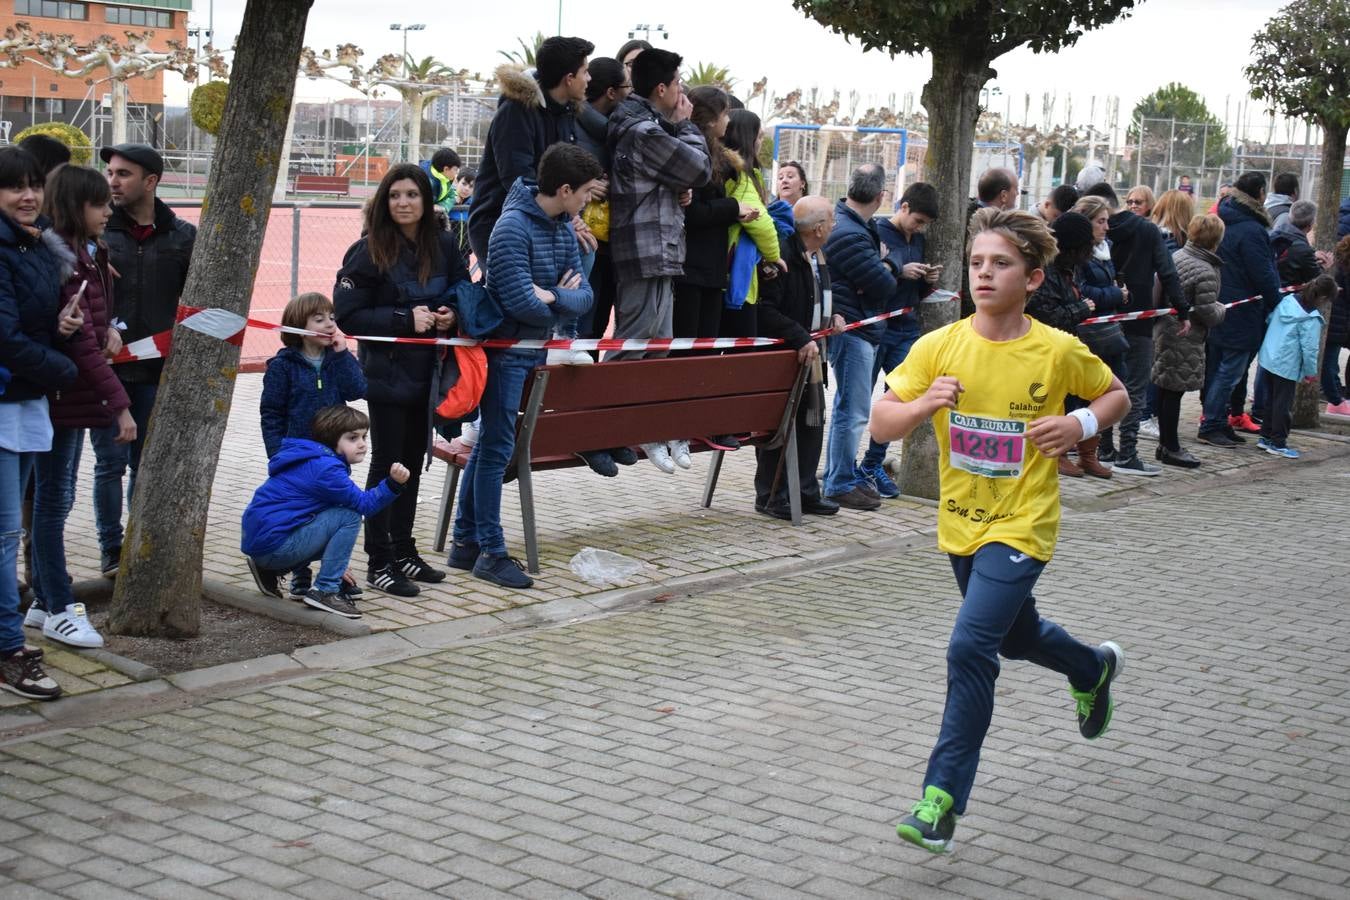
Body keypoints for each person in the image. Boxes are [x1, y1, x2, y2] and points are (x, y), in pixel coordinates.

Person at [871, 206, 1129, 855]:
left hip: (1024, 524)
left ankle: (941, 800)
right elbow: (879, 423)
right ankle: (1091, 667)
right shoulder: (941, 346)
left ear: (1033, 278)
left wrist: (1079, 427)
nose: (984, 274)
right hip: (961, 525)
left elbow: (1116, 395)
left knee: (970, 648)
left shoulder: (1057, 350)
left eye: (1001, 264)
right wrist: (924, 404)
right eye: (977, 263)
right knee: (1015, 639)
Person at [448, 144, 599, 589]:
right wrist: (556, 298)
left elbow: (583, 295)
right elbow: (517, 300)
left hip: (532, 350)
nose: (589, 202)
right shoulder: (511, 228)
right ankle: (490, 551)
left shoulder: (561, 227)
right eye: (587, 193)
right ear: (566, 189)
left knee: (492, 448)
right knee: (495, 450)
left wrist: (551, 295)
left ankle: (465, 541)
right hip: (507, 354)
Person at [335, 164, 467, 598]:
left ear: (427, 201)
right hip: (386, 375)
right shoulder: (368, 250)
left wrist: (452, 313)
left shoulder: (445, 245)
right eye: (395, 196)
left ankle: (404, 548)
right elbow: (348, 314)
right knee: (387, 462)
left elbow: (464, 291)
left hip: (430, 374)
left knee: (411, 461)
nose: (404, 203)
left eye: (412, 195)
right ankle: (380, 559)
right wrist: (402, 318)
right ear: (384, 202)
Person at [23, 164, 133, 650]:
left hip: (71, 395)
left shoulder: (90, 253)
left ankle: (46, 601)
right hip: (59, 396)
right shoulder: (62, 259)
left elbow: (94, 331)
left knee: (54, 500)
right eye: (100, 203)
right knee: (51, 503)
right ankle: (58, 605)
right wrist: (120, 406)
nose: (109, 210)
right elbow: (81, 345)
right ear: (74, 206)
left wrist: (112, 329)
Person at [605, 46, 712, 468]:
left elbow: (683, 177)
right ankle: (608, 427)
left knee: (658, 346)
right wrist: (685, 127)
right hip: (644, 248)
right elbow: (699, 169)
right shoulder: (643, 130)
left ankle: (645, 430)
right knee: (632, 343)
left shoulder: (648, 126)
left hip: (660, 249)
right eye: (679, 83)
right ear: (662, 87)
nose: (684, 93)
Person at [0, 147, 80, 700]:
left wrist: (64, 330)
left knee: (13, 530)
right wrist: (66, 365)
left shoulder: (35, 244)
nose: (28, 196)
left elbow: (32, 325)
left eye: (33, 185)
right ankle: (9, 649)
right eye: (13, 188)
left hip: (28, 402)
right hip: (7, 400)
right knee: (6, 535)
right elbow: (5, 336)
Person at [94, 143, 195, 577]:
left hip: (158, 372)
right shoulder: (98, 232)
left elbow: (198, 305)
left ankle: (140, 546)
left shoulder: (183, 236)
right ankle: (111, 551)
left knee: (146, 465)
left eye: (124, 174)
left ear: (151, 181)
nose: (113, 182)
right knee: (108, 465)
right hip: (104, 372)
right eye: (111, 173)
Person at [242, 405, 409, 620]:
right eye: (352, 438)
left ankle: (269, 570)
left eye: (364, 437)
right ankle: (325, 590)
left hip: (264, 544)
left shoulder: (314, 459)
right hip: (274, 546)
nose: (362, 444)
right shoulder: (326, 469)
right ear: (332, 439)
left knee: (338, 511)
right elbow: (364, 505)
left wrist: (338, 564)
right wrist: (393, 485)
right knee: (348, 516)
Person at [259, 291, 366, 600]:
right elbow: (271, 413)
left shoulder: (337, 360)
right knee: (302, 514)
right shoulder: (283, 366)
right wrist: (277, 454)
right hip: (297, 457)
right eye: (319, 320)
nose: (329, 324)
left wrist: (344, 353)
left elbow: (358, 389)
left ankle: (332, 576)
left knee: (336, 508)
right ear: (298, 326)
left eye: (331, 318)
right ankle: (300, 578)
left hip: (333, 456)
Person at [468, 36, 593, 267]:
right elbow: (517, 180)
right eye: (585, 72)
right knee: (519, 297)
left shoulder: (565, 112)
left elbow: (567, 174)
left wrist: (571, 217)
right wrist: (567, 218)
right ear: (569, 79)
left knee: (585, 254)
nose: (589, 79)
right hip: (498, 223)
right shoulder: (515, 113)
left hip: (546, 221)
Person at [1088, 182, 1185, 475]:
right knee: (1135, 388)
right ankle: (1127, 453)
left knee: (1106, 385)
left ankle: (1104, 448)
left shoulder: (1097, 232)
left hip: (1104, 319)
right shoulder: (1147, 230)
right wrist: (1183, 309)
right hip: (1138, 317)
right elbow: (1167, 271)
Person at [754, 195, 841, 519]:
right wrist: (801, 336)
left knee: (811, 424)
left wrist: (834, 318)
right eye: (831, 219)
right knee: (782, 428)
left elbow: (816, 299)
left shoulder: (817, 256)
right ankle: (771, 495)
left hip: (811, 356)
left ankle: (804, 491)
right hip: (784, 357)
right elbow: (765, 310)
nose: (835, 225)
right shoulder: (783, 255)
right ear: (818, 228)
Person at [822, 163, 898, 511]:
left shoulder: (858, 226)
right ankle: (838, 481)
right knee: (851, 411)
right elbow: (884, 285)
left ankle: (841, 475)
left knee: (849, 409)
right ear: (881, 195)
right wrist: (888, 266)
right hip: (854, 328)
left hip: (859, 324)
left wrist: (884, 263)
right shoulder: (851, 232)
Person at [860, 181, 940, 496]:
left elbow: (915, 290)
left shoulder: (918, 239)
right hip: (876, 327)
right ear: (903, 207)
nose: (919, 228)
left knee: (901, 398)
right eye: (917, 220)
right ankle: (845, 469)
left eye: (924, 225)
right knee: (858, 401)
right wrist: (897, 270)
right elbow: (870, 278)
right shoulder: (878, 231)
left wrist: (926, 282)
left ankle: (872, 464)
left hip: (907, 328)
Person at [1198, 171, 1283, 448]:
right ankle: (1211, 423)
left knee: (1217, 367)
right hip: (1242, 310)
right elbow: (1263, 272)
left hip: (1220, 303)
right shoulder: (1252, 229)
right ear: (1259, 193)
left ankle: (1217, 421)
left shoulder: (1224, 218)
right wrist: (1277, 301)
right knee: (1230, 372)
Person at [1024, 212, 1102, 477]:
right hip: (1042, 351)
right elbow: (1045, 314)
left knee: (1079, 398)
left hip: (1064, 348)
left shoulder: (1070, 270)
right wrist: (1080, 308)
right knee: (1049, 403)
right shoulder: (1047, 272)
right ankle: (1056, 454)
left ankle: (1085, 454)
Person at [1153, 214, 1227, 468]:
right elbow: (1207, 311)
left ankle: (1165, 443)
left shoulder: (1178, 256)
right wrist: (1222, 309)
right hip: (1186, 336)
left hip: (1166, 330)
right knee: (1175, 392)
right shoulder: (1206, 269)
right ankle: (1171, 447)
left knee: (1165, 390)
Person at [673, 87, 740, 354]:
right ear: (711, 118)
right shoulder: (693, 152)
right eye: (724, 114)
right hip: (691, 269)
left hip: (711, 269)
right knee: (687, 350)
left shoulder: (719, 155)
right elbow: (693, 212)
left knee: (707, 350)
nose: (729, 121)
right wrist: (733, 206)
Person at [1071, 195, 1129, 473]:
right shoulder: (1079, 256)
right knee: (1080, 394)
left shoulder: (1106, 250)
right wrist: (1116, 293)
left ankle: (1093, 452)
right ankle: (1070, 452)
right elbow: (1083, 291)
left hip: (1108, 331)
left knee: (1108, 391)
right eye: (1101, 221)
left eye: (1107, 221)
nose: (1106, 227)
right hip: (1088, 331)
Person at [573, 57, 629, 347]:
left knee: (595, 326)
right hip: (581, 236)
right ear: (611, 92)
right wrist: (584, 186)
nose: (630, 91)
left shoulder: (622, 129)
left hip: (610, 241)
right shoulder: (571, 124)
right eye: (626, 84)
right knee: (580, 325)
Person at [720, 109, 781, 340]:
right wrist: (775, 255)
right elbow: (762, 224)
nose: (760, 142)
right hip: (735, 275)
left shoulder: (733, 172)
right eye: (759, 136)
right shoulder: (742, 176)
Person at [1256, 276, 1333, 458]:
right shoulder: (1311, 319)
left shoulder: (1287, 301)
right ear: (1323, 298)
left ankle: (1265, 436)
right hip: (1286, 365)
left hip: (1268, 358)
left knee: (1271, 401)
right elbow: (1310, 349)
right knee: (1283, 404)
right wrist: (1310, 372)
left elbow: (1270, 320)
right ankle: (1278, 442)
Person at [1270, 199, 1327, 288]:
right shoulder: (1303, 250)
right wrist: (1324, 267)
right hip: (1289, 296)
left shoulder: (1275, 234)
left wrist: (1313, 255)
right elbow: (1316, 282)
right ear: (1310, 225)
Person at [1323, 235, 1350, 415]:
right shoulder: (1345, 271)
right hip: (1337, 322)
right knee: (1329, 363)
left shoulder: (1338, 265)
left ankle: (1337, 398)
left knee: (1329, 362)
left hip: (1335, 320)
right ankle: (1335, 400)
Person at [428, 147, 462, 216]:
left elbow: (452, 196)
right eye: (455, 169)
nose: (457, 173)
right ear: (446, 169)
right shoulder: (424, 180)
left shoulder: (445, 178)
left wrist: (442, 206)